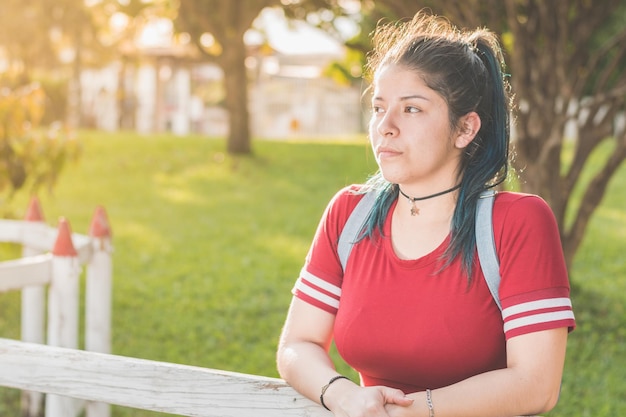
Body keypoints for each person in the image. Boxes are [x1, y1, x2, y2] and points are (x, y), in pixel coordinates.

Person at [276, 10, 576, 417]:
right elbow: (298, 345)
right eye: (379, 107)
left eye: (411, 109)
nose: (385, 126)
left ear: (465, 129)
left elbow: (536, 385)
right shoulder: (349, 213)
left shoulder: (517, 222)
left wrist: (415, 410)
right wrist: (345, 395)